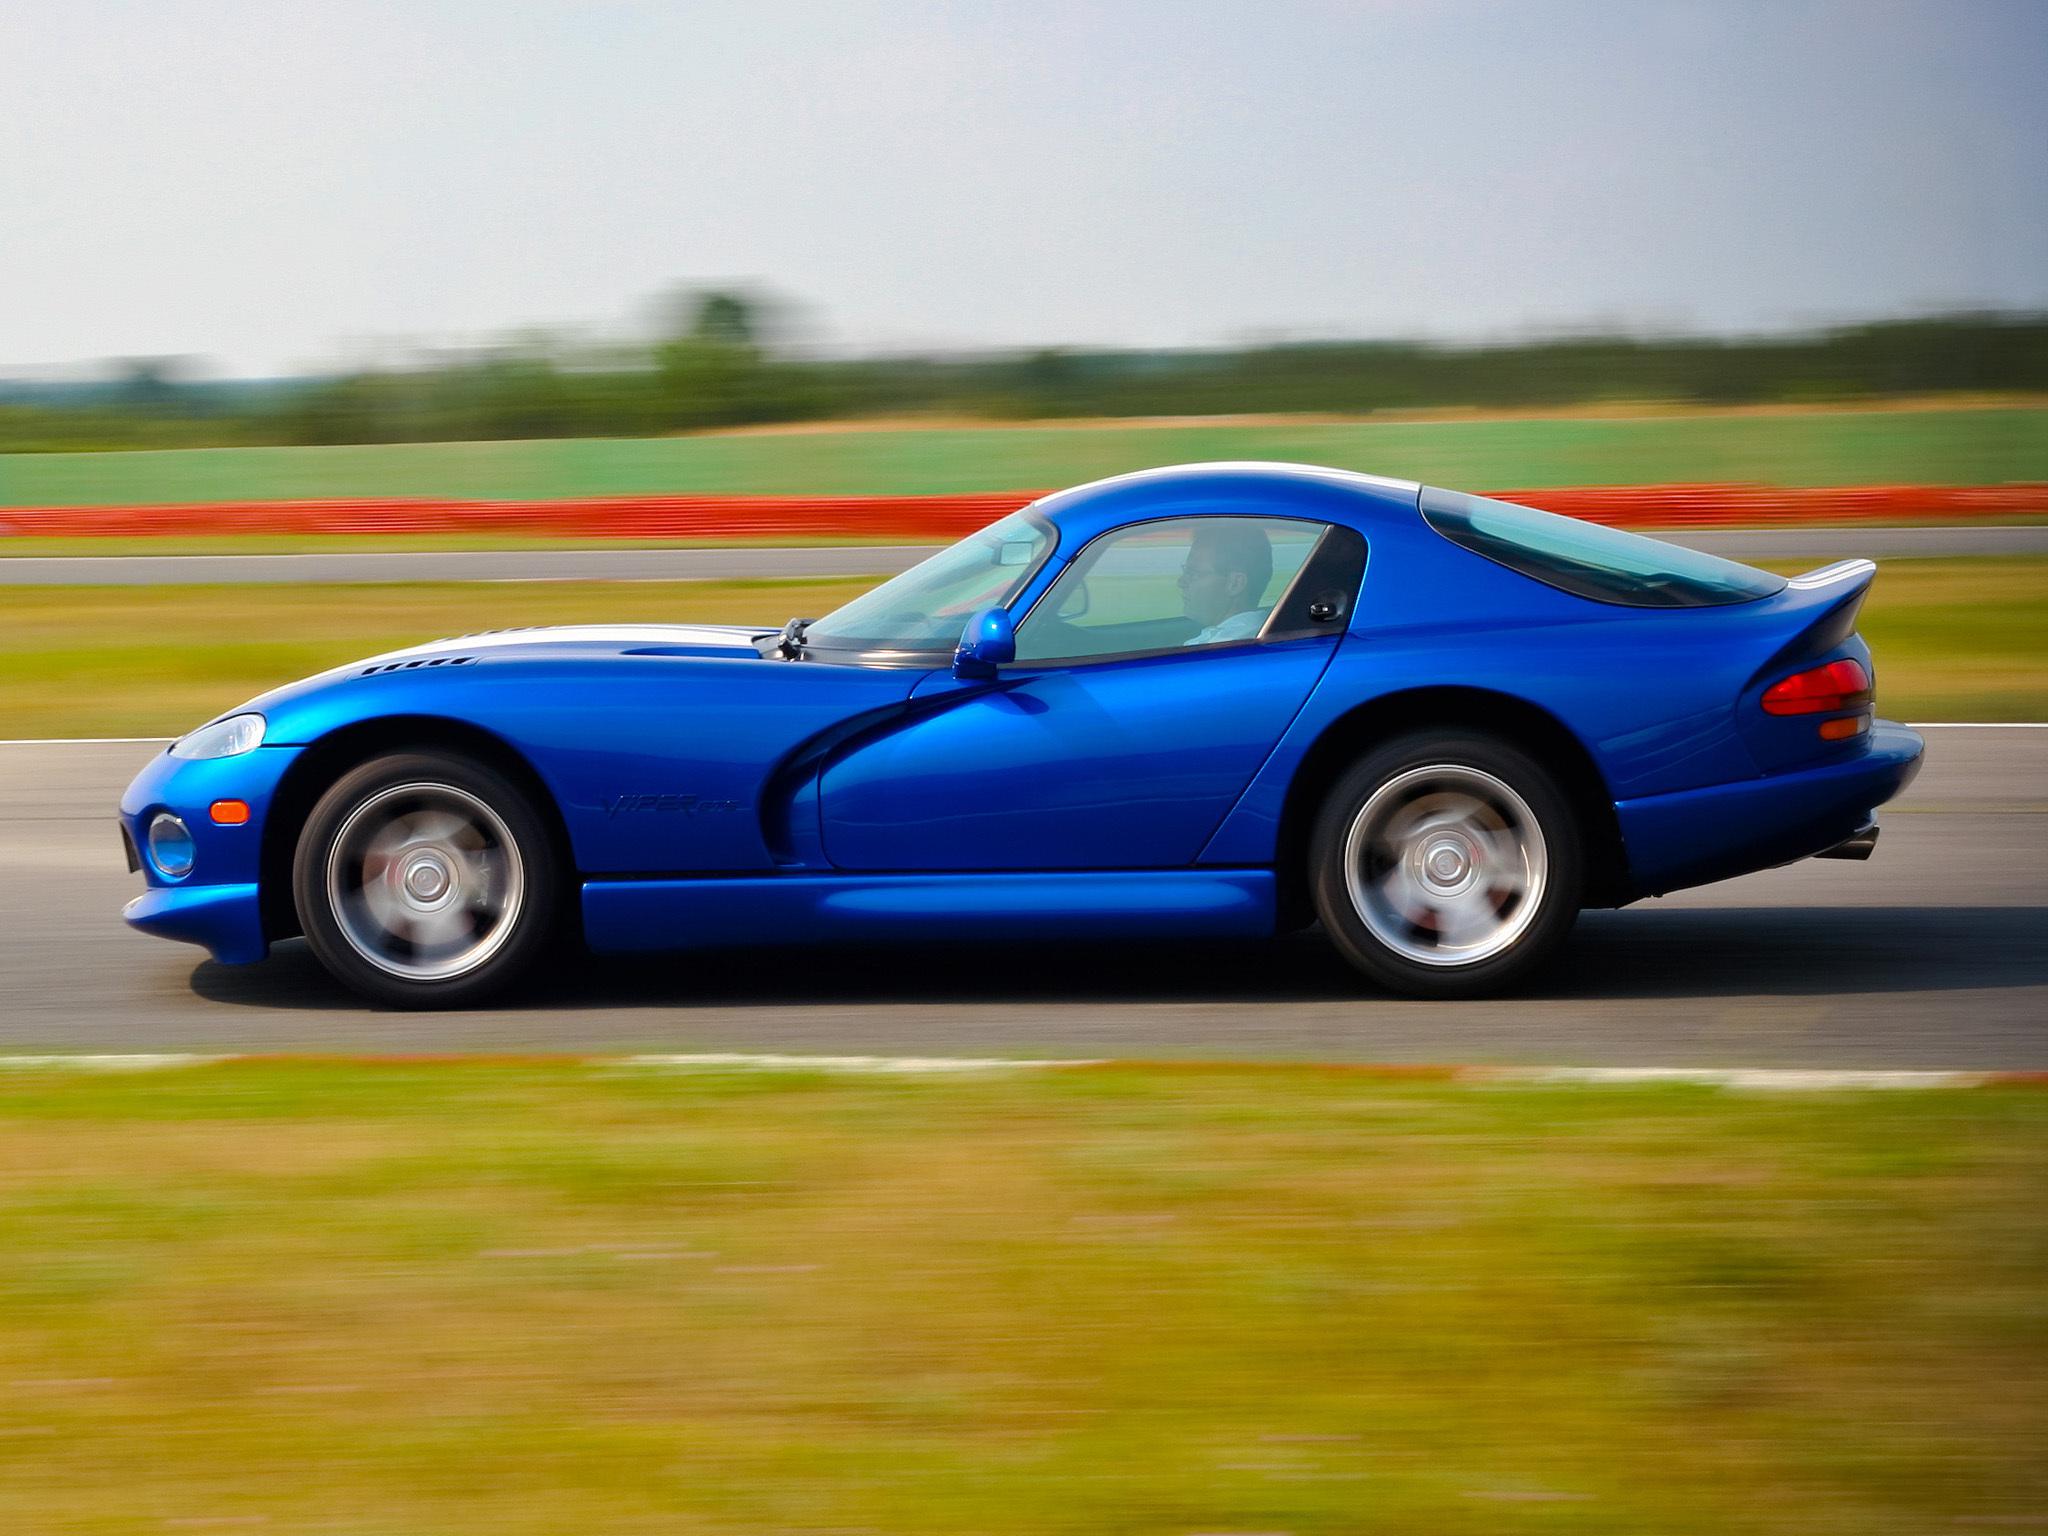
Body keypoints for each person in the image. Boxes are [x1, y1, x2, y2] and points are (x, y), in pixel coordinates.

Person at [1179, 521, 1273, 645]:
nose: (1181, 582)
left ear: (1235, 584)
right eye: (1186, 571)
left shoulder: (1222, 646)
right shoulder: (1260, 630)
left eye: (1193, 573)